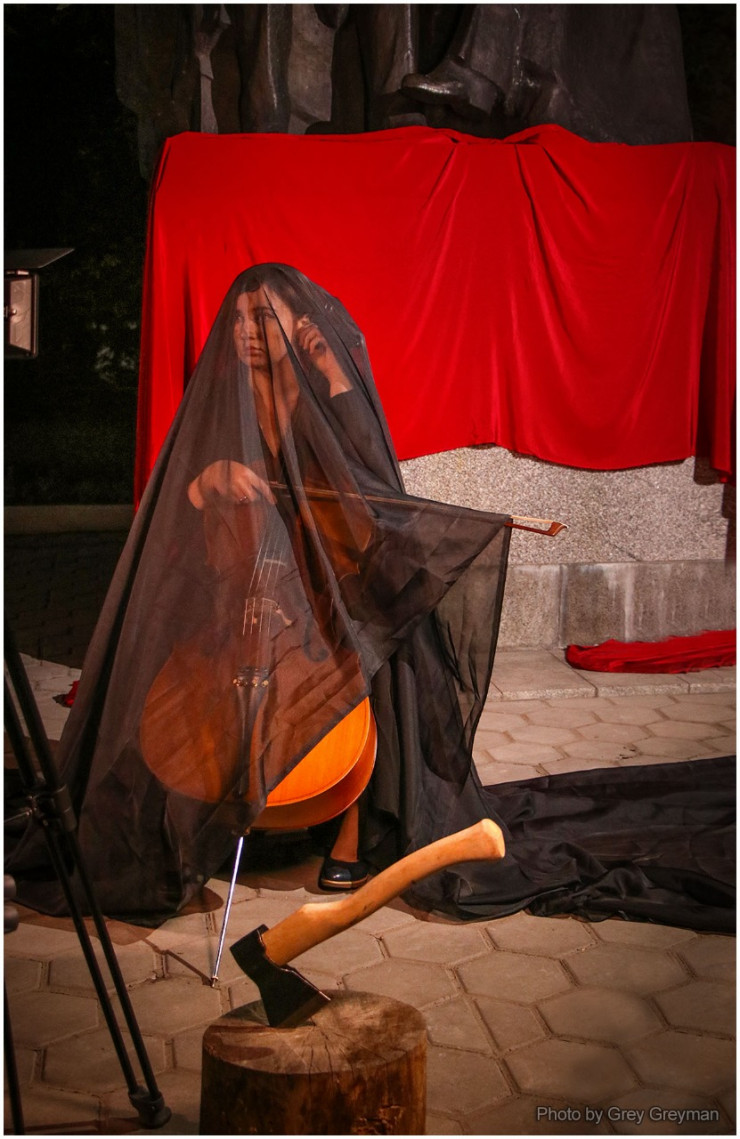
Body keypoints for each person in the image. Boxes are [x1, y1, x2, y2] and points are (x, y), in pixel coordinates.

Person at [8, 265, 733, 935]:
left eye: (265, 318)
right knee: (164, 703)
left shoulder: (318, 398)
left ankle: (350, 830)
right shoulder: (221, 404)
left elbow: (370, 490)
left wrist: (330, 368)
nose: (248, 331)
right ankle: (199, 808)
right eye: (240, 319)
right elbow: (179, 505)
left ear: (296, 328)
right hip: (241, 595)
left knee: (376, 642)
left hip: (324, 587)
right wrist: (207, 483)